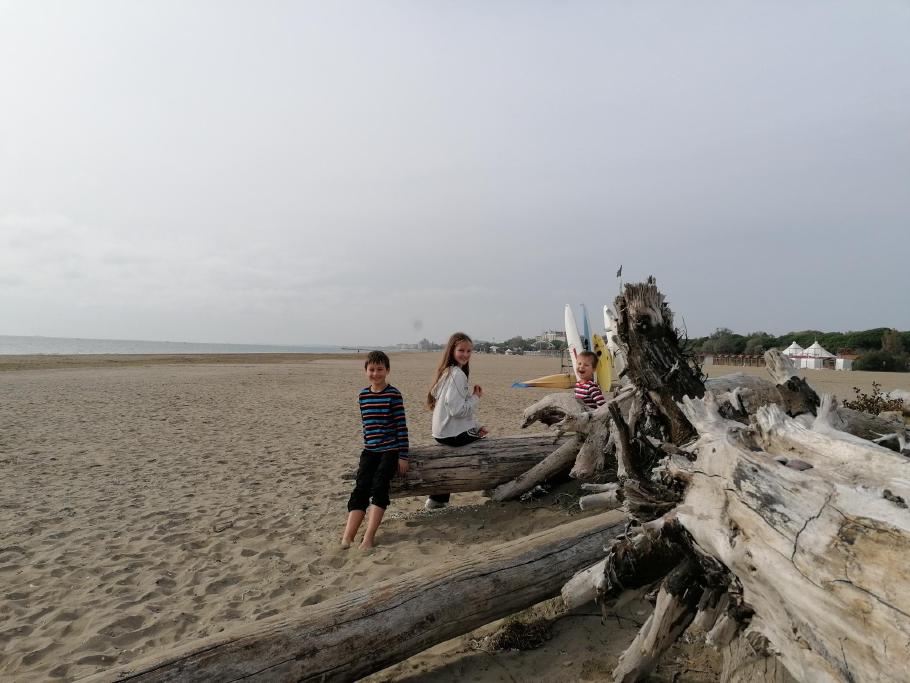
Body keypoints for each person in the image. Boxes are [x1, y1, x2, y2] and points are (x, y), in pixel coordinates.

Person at [341, 350, 409, 549]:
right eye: (372, 369)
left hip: (390, 450)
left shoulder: (394, 395)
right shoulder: (363, 395)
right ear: (366, 371)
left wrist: (403, 456)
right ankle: (348, 536)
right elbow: (366, 426)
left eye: (380, 369)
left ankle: (369, 536)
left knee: (379, 486)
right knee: (361, 487)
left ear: (387, 370)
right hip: (369, 450)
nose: (375, 373)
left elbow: (401, 427)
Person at [425, 332, 488, 510]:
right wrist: (476, 397)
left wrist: (476, 426)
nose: (466, 355)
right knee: (486, 445)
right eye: (461, 350)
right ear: (452, 350)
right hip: (451, 435)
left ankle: (437, 499)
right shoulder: (458, 375)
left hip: (440, 433)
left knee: (478, 433)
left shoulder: (446, 372)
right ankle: (490, 487)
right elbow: (458, 410)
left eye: (469, 351)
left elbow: (441, 399)